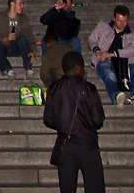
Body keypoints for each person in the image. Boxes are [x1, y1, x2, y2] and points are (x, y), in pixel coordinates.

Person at [46, 51, 106, 193]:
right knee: (95, 187)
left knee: (67, 188)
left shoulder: (54, 88)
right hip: (88, 145)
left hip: (65, 145)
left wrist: (62, 125)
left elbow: (48, 119)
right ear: (78, 68)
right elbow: (98, 120)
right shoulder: (89, 88)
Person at [88, 4, 134, 107]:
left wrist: (113, 54)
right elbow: (91, 39)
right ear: (114, 18)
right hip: (104, 60)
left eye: (125, 21)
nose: (122, 24)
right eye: (119, 21)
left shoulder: (132, 33)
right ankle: (116, 96)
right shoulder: (103, 26)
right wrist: (97, 50)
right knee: (109, 74)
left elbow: (133, 50)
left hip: (124, 62)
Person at [0, 0, 36, 78]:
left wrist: (33, 51)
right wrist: (4, 39)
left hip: (17, 46)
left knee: (23, 39)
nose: (22, 6)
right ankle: (7, 69)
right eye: (20, 3)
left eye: (22, 4)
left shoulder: (23, 19)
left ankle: (28, 67)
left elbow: (29, 36)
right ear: (12, 4)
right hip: (4, 47)